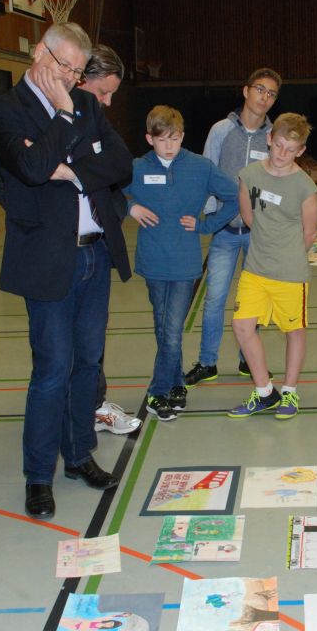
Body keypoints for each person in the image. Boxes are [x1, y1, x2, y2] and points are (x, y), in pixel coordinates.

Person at [0, 22, 133, 519]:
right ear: (38, 54)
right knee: (51, 372)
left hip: (95, 253)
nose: (70, 78)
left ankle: (79, 455)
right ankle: (38, 475)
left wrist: (67, 170)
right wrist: (66, 121)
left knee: (88, 365)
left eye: (75, 70)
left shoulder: (89, 104)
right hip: (48, 259)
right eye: (64, 66)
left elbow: (119, 165)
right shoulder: (6, 109)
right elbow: (27, 170)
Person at [124, 106, 240, 422]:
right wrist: (130, 208)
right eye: (162, 140)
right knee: (164, 329)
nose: (170, 146)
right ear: (150, 139)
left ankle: (157, 391)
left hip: (185, 264)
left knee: (172, 331)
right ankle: (177, 385)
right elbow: (108, 193)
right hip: (152, 262)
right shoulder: (136, 167)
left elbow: (235, 196)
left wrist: (206, 224)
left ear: (183, 136)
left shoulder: (200, 167)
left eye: (175, 139)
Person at [184, 68, 282, 388]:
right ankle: (208, 362)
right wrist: (210, 218)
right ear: (245, 91)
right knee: (214, 299)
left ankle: (247, 360)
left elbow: (279, 178)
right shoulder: (221, 130)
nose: (264, 97)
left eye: (271, 93)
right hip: (225, 232)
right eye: (260, 90)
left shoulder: (273, 137)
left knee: (253, 301)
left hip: (258, 234)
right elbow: (206, 172)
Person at [227, 113, 317, 419]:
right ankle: (265, 391)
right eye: (278, 145)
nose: (282, 154)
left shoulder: (305, 187)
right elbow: (249, 218)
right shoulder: (249, 175)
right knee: (242, 326)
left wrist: (285, 255)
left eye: (290, 149)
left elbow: (309, 234)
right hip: (255, 269)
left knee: (294, 330)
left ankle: (290, 392)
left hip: (290, 274)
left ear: (300, 151)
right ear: (269, 139)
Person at [78, 44, 142, 435]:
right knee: (56, 350)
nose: (109, 101)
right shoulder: (39, 121)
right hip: (55, 251)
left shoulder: (97, 122)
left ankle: (94, 406)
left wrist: (119, 209)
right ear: (79, 78)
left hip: (97, 247)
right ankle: (72, 414)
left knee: (92, 342)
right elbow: (1, 177)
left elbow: (120, 169)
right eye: (103, 92)